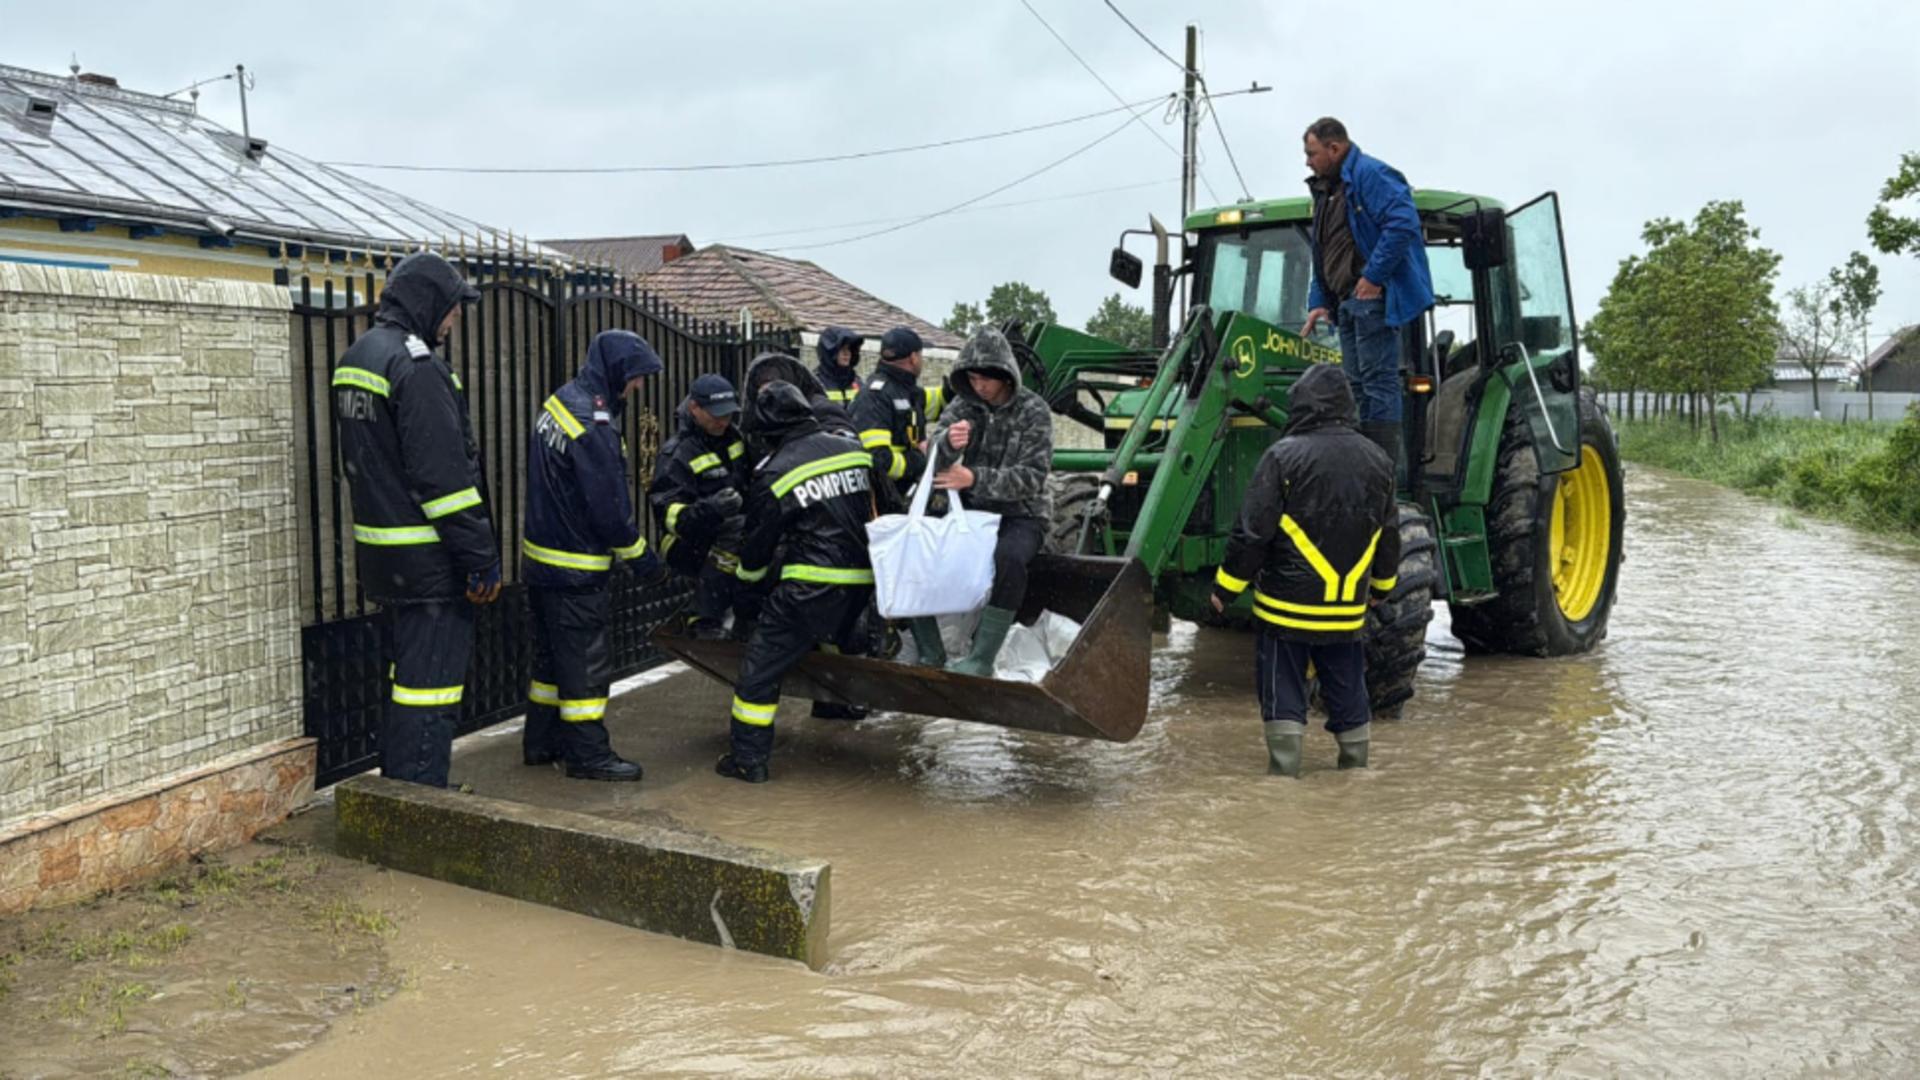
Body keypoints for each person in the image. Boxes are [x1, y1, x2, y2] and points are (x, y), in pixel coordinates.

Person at [331, 252, 496, 789]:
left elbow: (364, 466)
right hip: (430, 565)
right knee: (431, 691)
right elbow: (444, 482)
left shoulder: (359, 357)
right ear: (430, 305)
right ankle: (422, 799)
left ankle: (403, 790)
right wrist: (481, 560)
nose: (455, 321)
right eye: (452, 310)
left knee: (407, 686)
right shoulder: (417, 366)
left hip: (385, 559)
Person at [1208, 363, 1399, 778]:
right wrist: (1382, 587)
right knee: (1349, 689)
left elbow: (1252, 532)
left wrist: (1225, 587)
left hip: (1285, 612)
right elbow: (1389, 534)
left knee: (1284, 693)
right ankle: (1355, 772)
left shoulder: (1282, 456)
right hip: (1346, 612)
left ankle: (1283, 781)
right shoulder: (1380, 461)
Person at [521, 329, 665, 782]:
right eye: (637, 376)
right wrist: (644, 561)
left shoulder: (561, 401)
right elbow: (610, 511)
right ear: (618, 370)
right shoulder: (594, 424)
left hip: (541, 563)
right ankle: (587, 755)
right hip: (577, 569)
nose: (639, 386)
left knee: (551, 664)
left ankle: (541, 744)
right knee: (584, 666)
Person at [716, 381, 878, 784]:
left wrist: (745, 600)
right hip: (863, 585)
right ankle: (835, 707)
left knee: (758, 673)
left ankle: (747, 760)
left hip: (810, 586)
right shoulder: (852, 449)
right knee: (827, 644)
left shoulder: (775, 471)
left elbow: (757, 550)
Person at [1299, 116, 1434, 472]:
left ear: (1334, 148)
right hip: (1345, 303)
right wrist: (1318, 301)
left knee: (1377, 384)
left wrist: (1373, 277)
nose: (1307, 161)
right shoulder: (1328, 193)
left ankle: (1382, 475)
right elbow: (1325, 251)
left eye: (1311, 153)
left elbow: (1403, 222)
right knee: (1355, 387)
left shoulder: (1371, 175)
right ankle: (1363, 468)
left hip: (1369, 301)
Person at [927, 325, 1054, 676]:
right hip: (969, 511)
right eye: (972, 377)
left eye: (986, 378)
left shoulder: (1034, 411)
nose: (979, 385)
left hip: (1022, 514)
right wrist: (948, 443)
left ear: (1005, 375)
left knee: (1009, 559)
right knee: (926, 550)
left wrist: (975, 478)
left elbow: (1032, 476)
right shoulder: (964, 405)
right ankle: (929, 649)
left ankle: (982, 657)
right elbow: (931, 454)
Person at [649, 374, 749, 640]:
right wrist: (710, 510)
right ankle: (703, 617)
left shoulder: (733, 438)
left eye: (728, 414)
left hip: (728, 532)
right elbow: (667, 516)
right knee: (737, 529)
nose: (723, 421)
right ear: (694, 408)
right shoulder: (678, 454)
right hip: (686, 541)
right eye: (716, 415)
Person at [849, 327, 947, 503]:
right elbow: (878, 460)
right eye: (921, 355)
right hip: (888, 501)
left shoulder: (904, 390)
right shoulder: (875, 396)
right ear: (913, 358)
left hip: (907, 494)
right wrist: (918, 461)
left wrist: (954, 389)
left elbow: (932, 403)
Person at [813, 325, 865, 407]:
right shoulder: (815, 382)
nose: (847, 353)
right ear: (829, 353)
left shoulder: (857, 382)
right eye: (841, 349)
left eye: (849, 349)